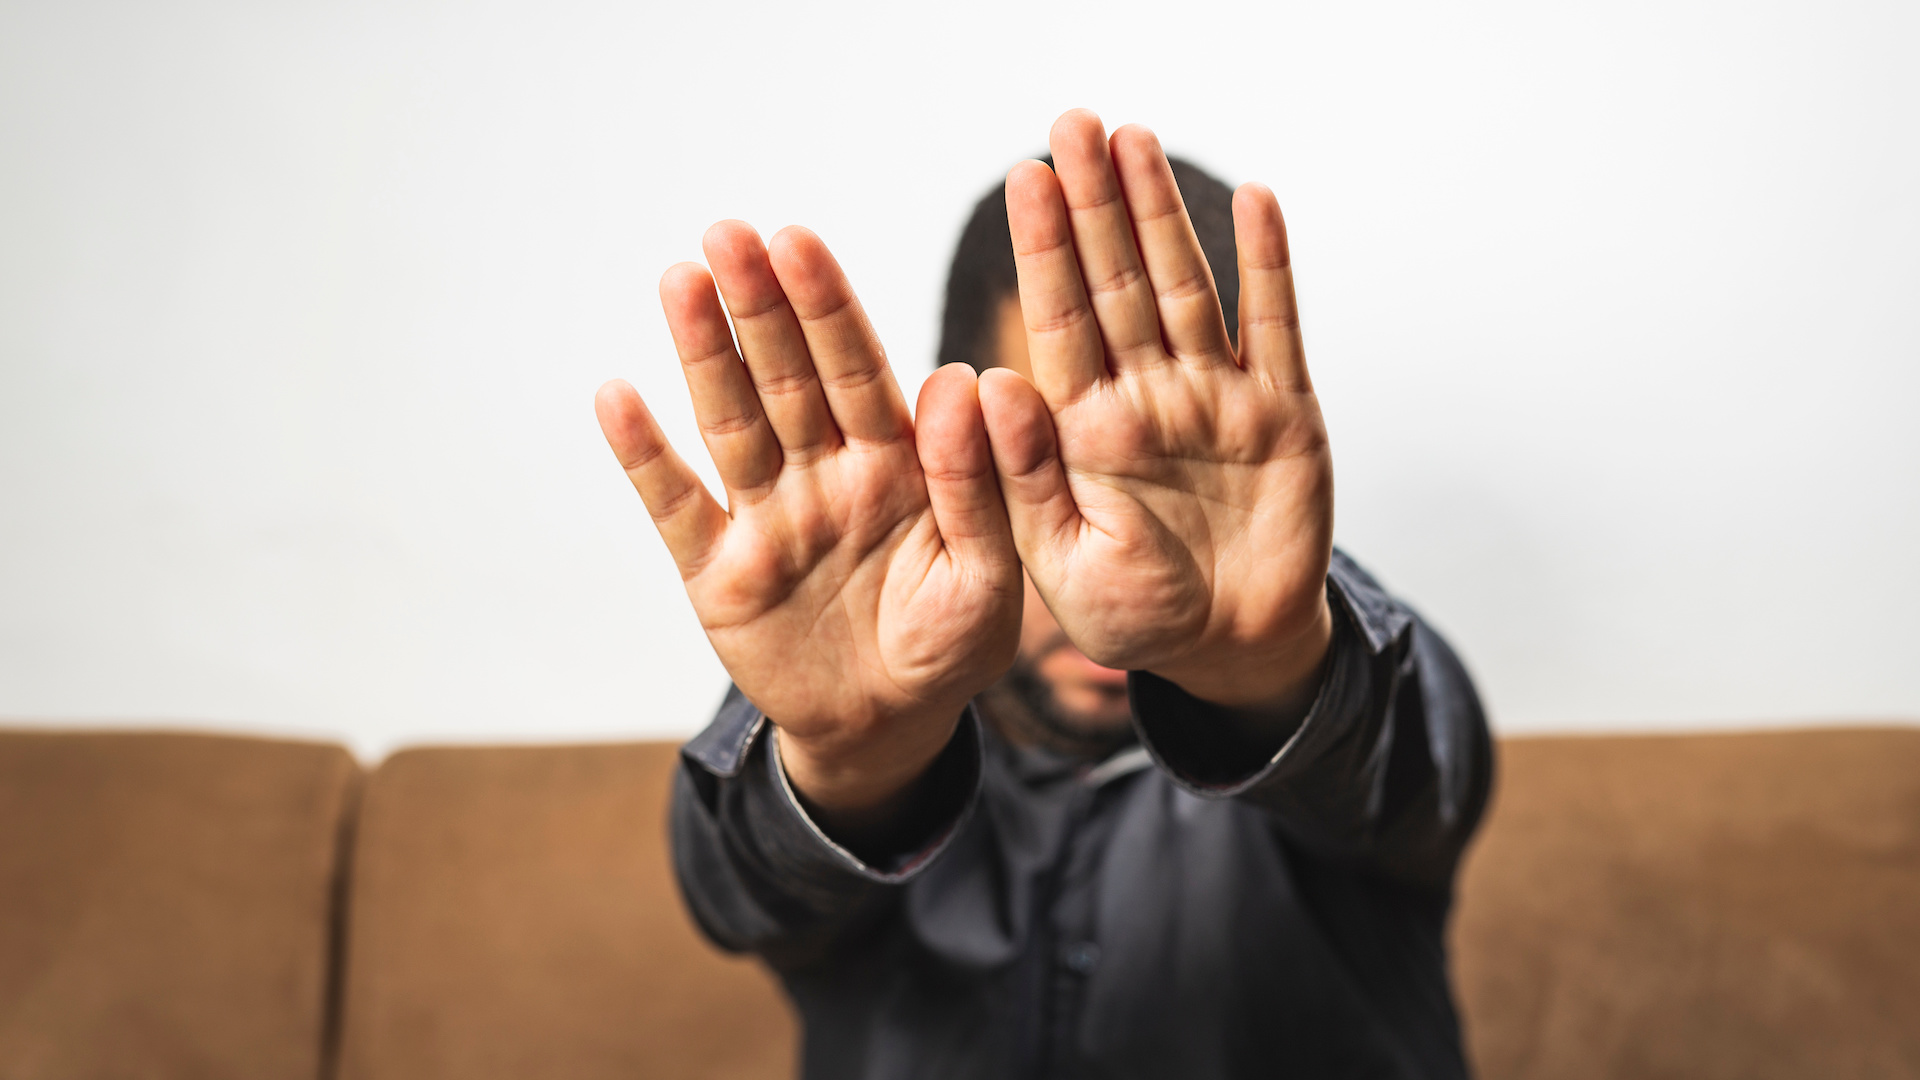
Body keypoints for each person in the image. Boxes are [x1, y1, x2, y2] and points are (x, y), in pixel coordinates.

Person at [594, 109, 1493, 1079]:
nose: (1116, 558)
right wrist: (852, 759)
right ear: (955, 448)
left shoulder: (1336, 686)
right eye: (1052, 463)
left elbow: (1420, 767)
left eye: (1161, 479)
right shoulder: (860, 674)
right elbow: (736, 888)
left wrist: (1264, 661)